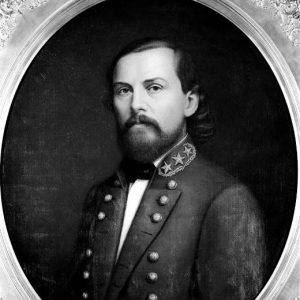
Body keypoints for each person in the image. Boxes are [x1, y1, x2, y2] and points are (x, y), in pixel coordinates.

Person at [65, 37, 266, 300]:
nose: (136, 104)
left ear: (189, 102)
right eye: (124, 90)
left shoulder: (228, 200)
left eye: (154, 87)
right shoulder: (99, 195)